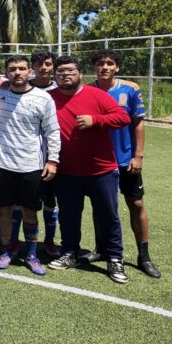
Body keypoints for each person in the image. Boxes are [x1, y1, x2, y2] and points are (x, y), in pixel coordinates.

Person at [47, 56, 132, 284]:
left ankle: (114, 258)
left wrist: (96, 120)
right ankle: (70, 252)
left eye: (70, 70)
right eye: (60, 71)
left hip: (100, 170)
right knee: (68, 215)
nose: (65, 75)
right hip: (66, 171)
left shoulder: (97, 95)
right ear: (55, 75)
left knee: (108, 215)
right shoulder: (48, 98)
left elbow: (123, 117)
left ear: (80, 73)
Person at [0, 55, 60, 275]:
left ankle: (31, 254)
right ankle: (7, 249)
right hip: (1, 163)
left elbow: (52, 131)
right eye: (13, 69)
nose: (17, 72)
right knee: (4, 210)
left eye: (22, 68)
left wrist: (53, 160)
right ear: (6, 73)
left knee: (29, 212)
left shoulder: (43, 98)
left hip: (31, 166)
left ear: (29, 71)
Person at [90, 50, 161, 278]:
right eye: (100, 63)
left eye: (109, 63)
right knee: (101, 206)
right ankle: (101, 249)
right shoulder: (88, 90)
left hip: (126, 159)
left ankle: (144, 256)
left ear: (117, 67)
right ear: (94, 67)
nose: (104, 67)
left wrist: (138, 156)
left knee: (136, 203)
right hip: (100, 161)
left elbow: (138, 123)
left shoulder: (130, 89)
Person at [29, 49, 60, 256]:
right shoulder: (21, 86)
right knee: (25, 202)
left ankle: (49, 240)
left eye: (47, 64)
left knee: (50, 199)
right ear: (32, 66)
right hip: (27, 156)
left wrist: (53, 157)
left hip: (51, 155)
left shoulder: (59, 89)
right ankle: (17, 241)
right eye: (39, 64)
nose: (43, 68)